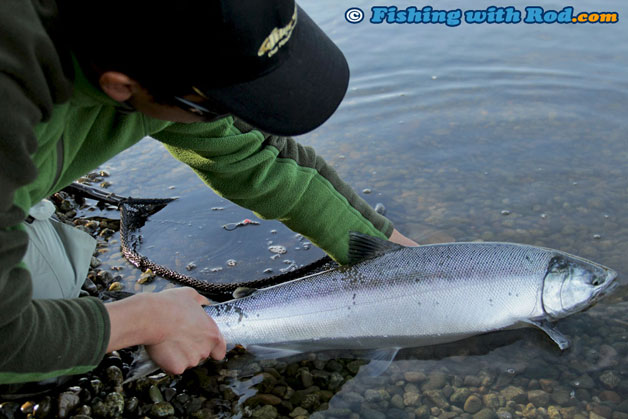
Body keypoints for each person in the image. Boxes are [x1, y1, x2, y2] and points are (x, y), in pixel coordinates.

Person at [0, 0, 418, 384]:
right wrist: (141, 320)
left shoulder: (169, 46)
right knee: (48, 304)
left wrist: (390, 249)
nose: (237, 119)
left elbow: (259, 158)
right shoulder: (10, 110)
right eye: (220, 104)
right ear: (122, 86)